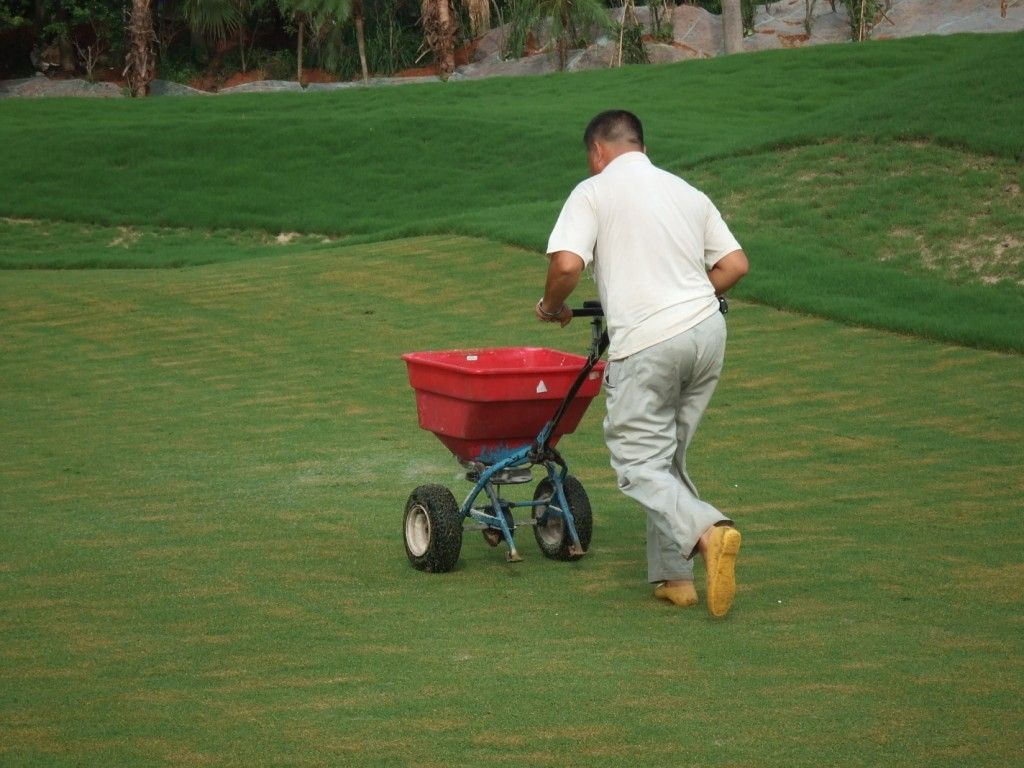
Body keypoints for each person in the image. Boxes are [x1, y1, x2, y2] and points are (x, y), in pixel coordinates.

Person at [536, 110, 748, 617]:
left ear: (597, 152)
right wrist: (686, 297)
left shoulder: (592, 192)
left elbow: (566, 264)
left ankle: (708, 533)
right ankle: (675, 578)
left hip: (650, 342)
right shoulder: (687, 192)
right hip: (707, 332)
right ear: (641, 146)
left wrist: (550, 307)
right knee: (666, 458)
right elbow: (735, 265)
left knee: (636, 464)